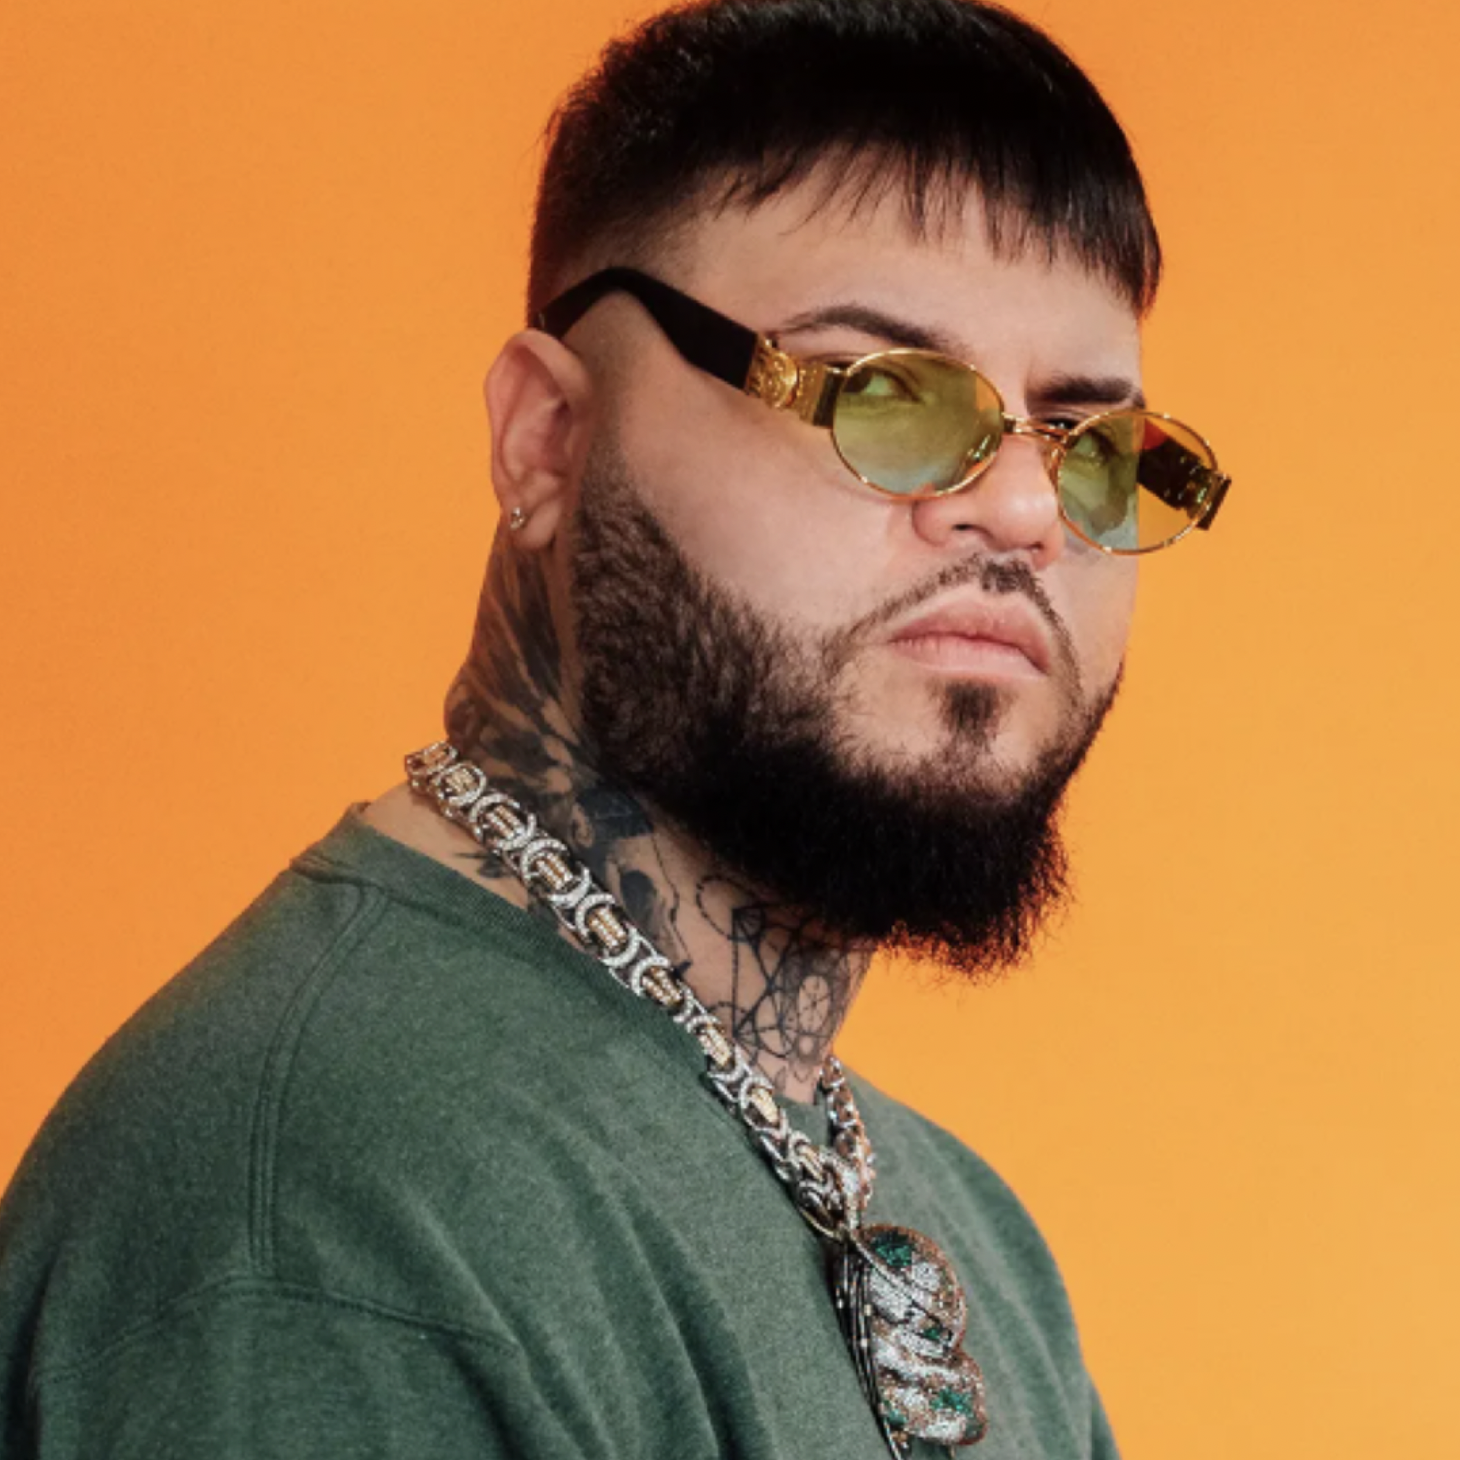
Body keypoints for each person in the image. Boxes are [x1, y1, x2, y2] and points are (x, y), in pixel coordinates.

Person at [0, 0, 1232, 1455]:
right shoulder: (325, 1225)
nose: (1024, 511)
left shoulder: (977, 1241)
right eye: (883, 395)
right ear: (546, 439)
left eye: (1092, 447)